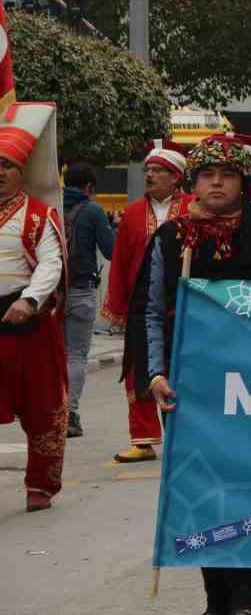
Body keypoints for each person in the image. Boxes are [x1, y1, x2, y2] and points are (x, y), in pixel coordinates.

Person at [141, 133, 251, 614]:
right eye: (207, 175)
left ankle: (245, 600)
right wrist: (155, 374)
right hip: (190, 392)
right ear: (194, 182)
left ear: (244, 182)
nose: (216, 183)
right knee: (204, 493)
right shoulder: (171, 239)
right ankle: (216, 596)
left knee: (250, 493)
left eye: (227, 175)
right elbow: (150, 312)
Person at [0, 103, 69, 512]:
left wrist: (29, 300)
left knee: (43, 406)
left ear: (22, 172)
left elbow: (51, 263)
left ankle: (41, 484)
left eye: (6, 166)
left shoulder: (39, 215)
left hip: (26, 320)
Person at [104, 140, 189, 463]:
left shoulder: (194, 208)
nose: (149, 175)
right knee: (139, 370)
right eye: (148, 170)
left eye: (158, 171)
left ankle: (182, 435)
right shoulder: (133, 213)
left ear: (176, 177)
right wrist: (117, 303)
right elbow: (121, 260)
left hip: (183, 302)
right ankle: (142, 439)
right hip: (142, 305)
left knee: (179, 370)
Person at [61, 162, 115, 440]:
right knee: (77, 354)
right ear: (90, 187)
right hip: (81, 291)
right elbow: (112, 249)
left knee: (51, 354)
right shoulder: (93, 211)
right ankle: (69, 414)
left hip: (49, 294)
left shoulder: (47, 205)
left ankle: (47, 410)